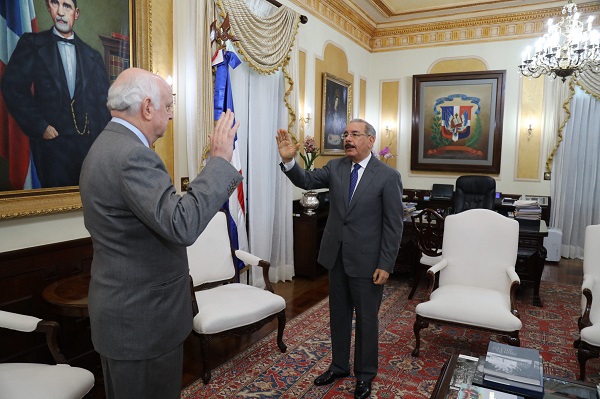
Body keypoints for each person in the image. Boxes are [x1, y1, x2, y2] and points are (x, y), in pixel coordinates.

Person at [79, 68, 243, 399]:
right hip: (143, 323)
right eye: (169, 106)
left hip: (131, 316)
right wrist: (220, 161)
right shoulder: (131, 156)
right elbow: (182, 224)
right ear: (148, 107)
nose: (170, 115)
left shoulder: (107, 145)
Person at [276, 118, 403, 399]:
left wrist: (386, 263)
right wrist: (289, 162)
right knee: (339, 316)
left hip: (369, 262)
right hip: (337, 258)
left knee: (367, 320)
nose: (348, 139)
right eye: (346, 134)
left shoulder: (387, 176)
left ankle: (365, 375)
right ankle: (339, 366)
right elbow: (306, 180)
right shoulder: (335, 167)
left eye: (355, 134)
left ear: (370, 140)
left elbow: (394, 225)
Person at [1, 0, 111, 188]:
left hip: (88, 149)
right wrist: (40, 126)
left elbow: (103, 105)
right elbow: (13, 87)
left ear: (76, 13)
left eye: (66, 6)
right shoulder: (32, 44)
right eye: (55, 3)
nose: (60, 12)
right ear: (48, 7)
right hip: (50, 149)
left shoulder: (92, 55)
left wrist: (101, 146)